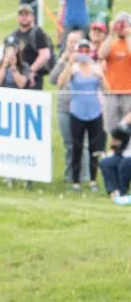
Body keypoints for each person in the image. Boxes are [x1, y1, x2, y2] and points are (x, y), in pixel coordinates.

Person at [56, 38, 109, 191]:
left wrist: (101, 76)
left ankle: (93, 180)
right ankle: (76, 181)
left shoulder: (96, 68)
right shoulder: (74, 69)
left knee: (94, 147)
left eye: (87, 51)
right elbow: (60, 83)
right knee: (77, 147)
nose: (84, 54)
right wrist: (69, 64)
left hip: (94, 113)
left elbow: (107, 91)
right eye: (82, 51)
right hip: (77, 112)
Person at [50, 30, 88, 184]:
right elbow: (53, 79)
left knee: (82, 145)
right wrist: (62, 61)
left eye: (75, 41)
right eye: (70, 41)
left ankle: (84, 177)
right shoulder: (64, 60)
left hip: (82, 108)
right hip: (64, 108)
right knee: (69, 144)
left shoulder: (86, 61)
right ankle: (69, 176)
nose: (72, 45)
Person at [98, 11, 131, 137]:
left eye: (124, 25)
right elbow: (101, 55)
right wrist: (111, 34)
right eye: (119, 25)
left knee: (128, 128)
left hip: (129, 93)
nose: (121, 28)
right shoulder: (111, 44)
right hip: (112, 93)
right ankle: (115, 152)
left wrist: (128, 36)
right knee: (112, 128)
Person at [6, 4, 53, 89]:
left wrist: (29, 71)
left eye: (27, 14)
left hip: (34, 77)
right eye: (21, 15)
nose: (24, 17)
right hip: (16, 76)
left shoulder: (38, 32)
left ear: (32, 16)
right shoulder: (13, 35)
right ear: (17, 17)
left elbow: (45, 55)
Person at [98, 113, 131, 204]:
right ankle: (115, 192)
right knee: (106, 163)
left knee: (125, 164)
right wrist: (124, 123)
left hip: (128, 158)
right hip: (125, 153)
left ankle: (122, 193)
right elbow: (117, 134)